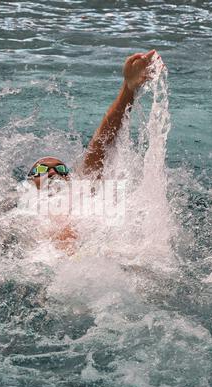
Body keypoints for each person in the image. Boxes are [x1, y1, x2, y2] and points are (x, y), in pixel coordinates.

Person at [25, 50, 160, 253]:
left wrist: (128, 88)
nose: (52, 175)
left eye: (58, 173)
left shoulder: (82, 198)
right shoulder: (27, 223)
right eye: (44, 175)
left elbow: (102, 142)